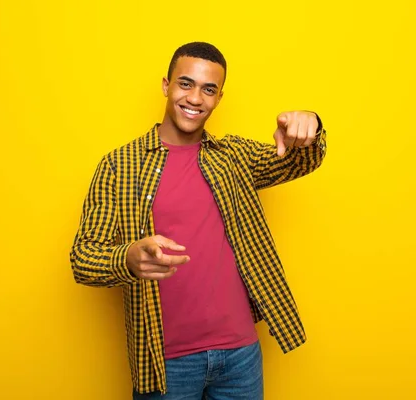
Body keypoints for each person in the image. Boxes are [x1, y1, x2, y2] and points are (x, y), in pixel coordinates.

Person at [69, 41, 327, 399]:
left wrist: (309, 126)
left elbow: (303, 160)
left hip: (240, 355)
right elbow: (83, 259)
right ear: (166, 85)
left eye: (208, 89)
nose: (195, 98)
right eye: (185, 83)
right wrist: (126, 257)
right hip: (165, 361)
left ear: (219, 98)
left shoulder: (234, 156)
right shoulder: (119, 165)